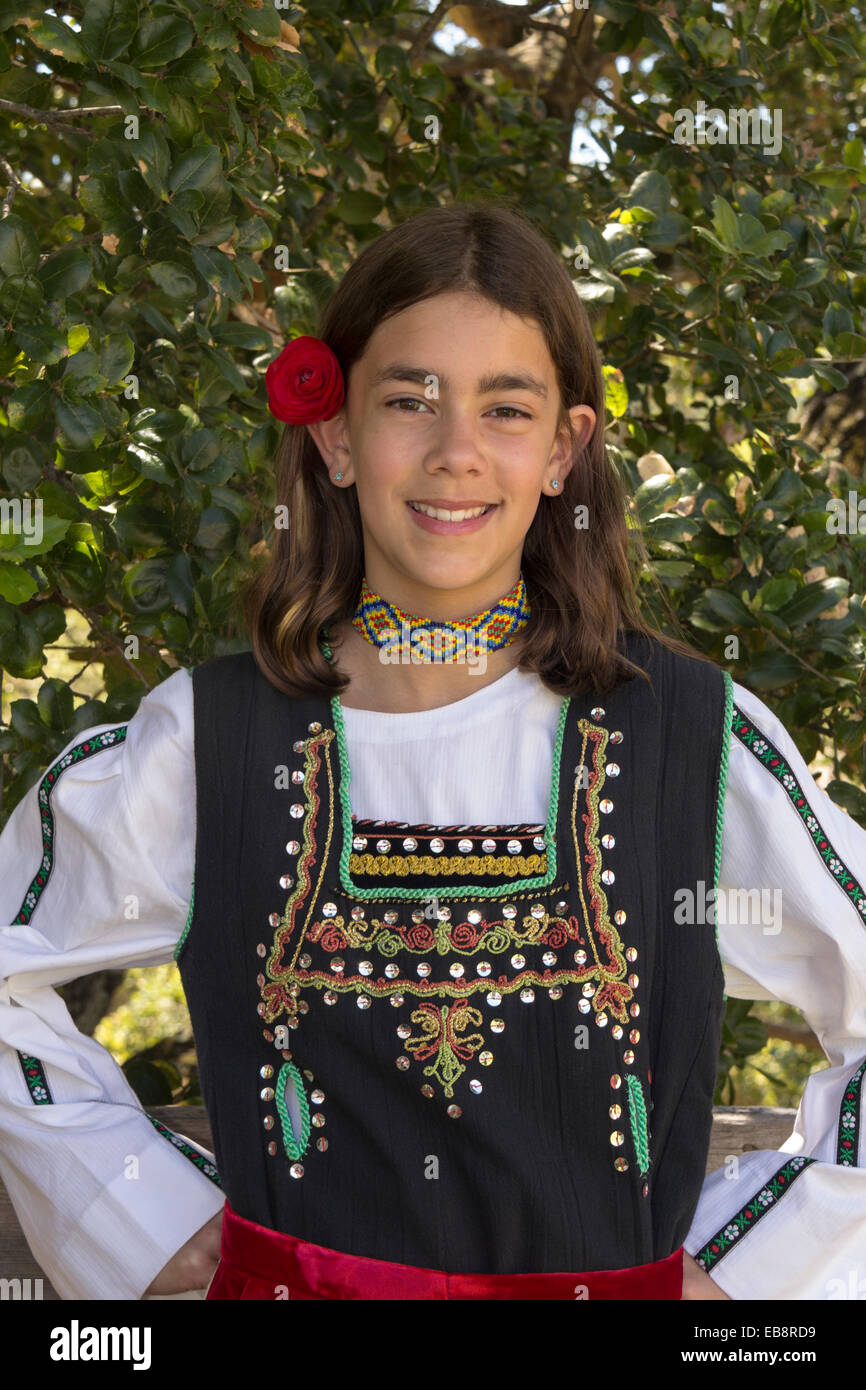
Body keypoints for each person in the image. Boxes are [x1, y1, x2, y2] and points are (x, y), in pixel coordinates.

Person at [1, 202, 864, 1301]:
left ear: (562, 451)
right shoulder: (209, 743)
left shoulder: (683, 742)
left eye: (505, 409)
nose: (455, 452)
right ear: (335, 435)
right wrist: (144, 1222)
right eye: (408, 399)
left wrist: (739, 1275)